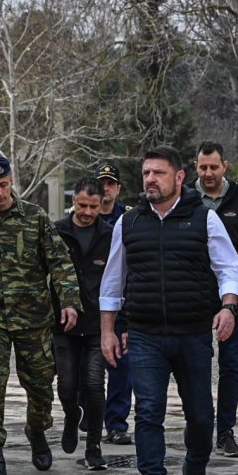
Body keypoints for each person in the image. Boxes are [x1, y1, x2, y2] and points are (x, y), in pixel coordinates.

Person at [100, 145, 238, 475]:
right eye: (146, 173)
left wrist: (228, 307)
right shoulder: (128, 223)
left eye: (158, 173)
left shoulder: (205, 219)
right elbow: (113, 282)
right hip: (145, 335)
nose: (150, 179)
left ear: (179, 177)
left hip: (193, 333)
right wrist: (108, 332)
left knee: (200, 415)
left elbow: (229, 268)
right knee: (147, 412)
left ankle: (195, 467)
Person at [0, 156, 82, 475]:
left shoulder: (34, 218)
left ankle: (36, 429)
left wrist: (70, 302)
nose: (0, 192)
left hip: (33, 318)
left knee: (41, 389)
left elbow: (59, 261)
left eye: (4, 185)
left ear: (11, 181)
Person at [193, 141, 238, 457]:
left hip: (232, 298)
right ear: (195, 168)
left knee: (230, 366)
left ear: (225, 166)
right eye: (203, 167)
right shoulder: (185, 201)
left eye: (214, 167)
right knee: (198, 364)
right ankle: (201, 428)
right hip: (193, 296)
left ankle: (226, 432)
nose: (208, 173)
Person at [53, 177, 114, 470]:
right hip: (64, 324)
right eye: (81, 205)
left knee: (93, 384)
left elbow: (119, 282)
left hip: (97, 324)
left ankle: (94, 445)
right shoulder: (57, 232)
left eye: (93, 206)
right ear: (73, 201)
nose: (87, 212)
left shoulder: (110, 235)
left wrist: (118, 326)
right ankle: (69, 416)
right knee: (66, 385)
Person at [95, 160, 134, 445]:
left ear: (118, 189)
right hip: (89, 304)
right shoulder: (83, 217)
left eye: (110, 184)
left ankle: (117, 423)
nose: (105, 189)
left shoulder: (130, 219)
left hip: (120, 304)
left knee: (121, 366)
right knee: (90, 372)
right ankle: (91, 417)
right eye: (101, 184)